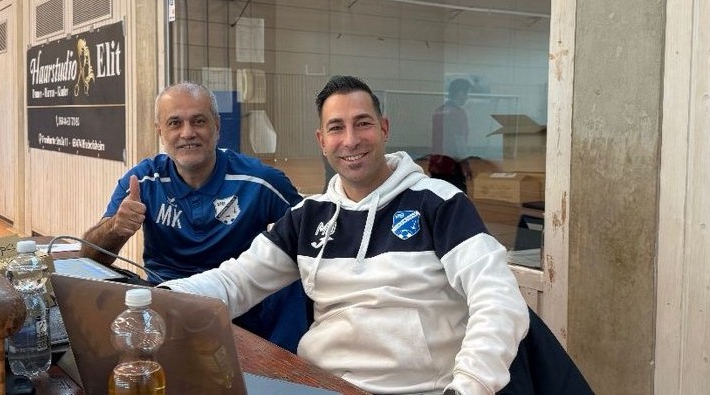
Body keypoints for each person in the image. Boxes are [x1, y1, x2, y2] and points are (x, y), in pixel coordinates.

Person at [160, 75, 530, 395]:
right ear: (322, 140)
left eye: (362, 123)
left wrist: (469, 385)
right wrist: (158, 298)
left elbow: (497, 296)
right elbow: (235, 282)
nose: (350, 140)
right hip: (321, 383)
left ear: (384, 129)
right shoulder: (308, 217)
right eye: (336, 128)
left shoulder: (439, 204)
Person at [81, 82, 308, 353]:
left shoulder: (260, 181)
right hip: (168, 307)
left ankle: (289, 364)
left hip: (241, 310)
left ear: (217, 126)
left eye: (198, 121)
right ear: (160, 131)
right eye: (175, 123)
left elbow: (313, 234)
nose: (188, 133)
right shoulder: (142, 181)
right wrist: (115, 228)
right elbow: (90, 256)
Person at [430, 78, 473, 192]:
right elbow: (459, 141)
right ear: (460, 93)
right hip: (451, 166)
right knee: (458, 197)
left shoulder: (438, 111)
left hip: (436, 163)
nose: (466, 97)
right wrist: (465, 163)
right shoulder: (458, 113)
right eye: (466, 94)